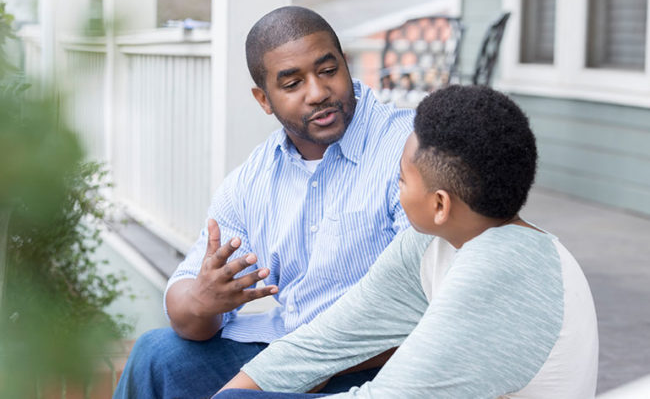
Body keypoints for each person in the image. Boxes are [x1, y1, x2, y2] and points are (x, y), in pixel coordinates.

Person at [216, 86, 599, 398]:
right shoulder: (435, 242)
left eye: (400, 178)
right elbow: (322, 342)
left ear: (439, 204)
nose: (395, 190)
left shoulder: (503, 268)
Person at [113, 6, 413, 399]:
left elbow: (429, 303)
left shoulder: (409, 148)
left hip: (382, 364)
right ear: (264, 99)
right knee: (157, 354)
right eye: (292, 84)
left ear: (346, 64)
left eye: (328, 70)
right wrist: (204, 301)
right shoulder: (253, 180)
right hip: (288, 352)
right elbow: (186, 304)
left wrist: (305, 364)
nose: (318, 92)